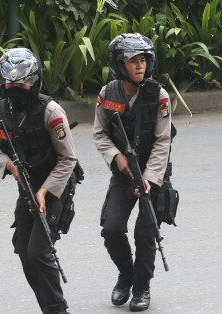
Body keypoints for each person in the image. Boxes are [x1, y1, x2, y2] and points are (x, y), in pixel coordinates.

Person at [0, 48, 78, 314]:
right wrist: (10, 166)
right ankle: (48, 307)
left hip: (54, 186)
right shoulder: (1, 110)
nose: (16, 87)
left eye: (22, 82)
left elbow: (68, 159)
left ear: (34, 82)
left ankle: (58, 309)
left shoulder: (51, 111)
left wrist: (45, 191)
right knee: (23, 249)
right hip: (25, 183)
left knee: (39, 251)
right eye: (10, 82)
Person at [93, 33, 172, 312]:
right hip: (123, 172)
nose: (140, 66)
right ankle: (126, 274)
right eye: (132, 61)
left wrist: (150, 178)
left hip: (153, 174)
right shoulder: (107, 93)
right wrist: (116, 157)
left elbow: (163, 141)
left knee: (145, 231)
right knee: (111, 229)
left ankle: (141, 287)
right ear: (118, 64)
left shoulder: (159, 95)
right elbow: (100, 134)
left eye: (143, 60)